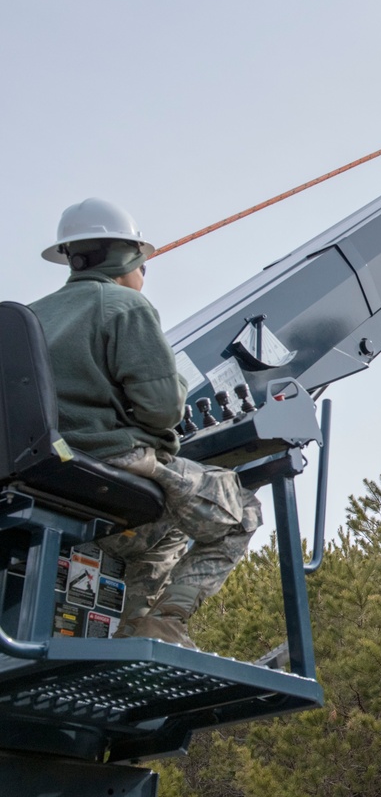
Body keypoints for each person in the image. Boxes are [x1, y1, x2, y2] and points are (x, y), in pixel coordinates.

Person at [30, 198, 262, 648]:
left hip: (49, 474)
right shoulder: (125, 307)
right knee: (243, 511)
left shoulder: (29, 315)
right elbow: (163, 410)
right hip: (112, 463)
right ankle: (167, 622)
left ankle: (133, 625)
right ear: (129, 256)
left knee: (170, 528)